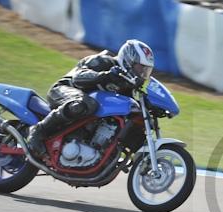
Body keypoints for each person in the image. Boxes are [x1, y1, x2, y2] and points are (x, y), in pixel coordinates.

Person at [27, 39, 155, 156]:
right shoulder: (104, 61)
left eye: (145, 71)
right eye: (140, 68)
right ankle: (38, 130)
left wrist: (149, 109)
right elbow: (79, 77)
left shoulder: (126, 83)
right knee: (83, 104)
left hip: (85, 109)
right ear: (129, 60)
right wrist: (105, 75)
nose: (142, 74)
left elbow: (130, 107)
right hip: (63, 90)